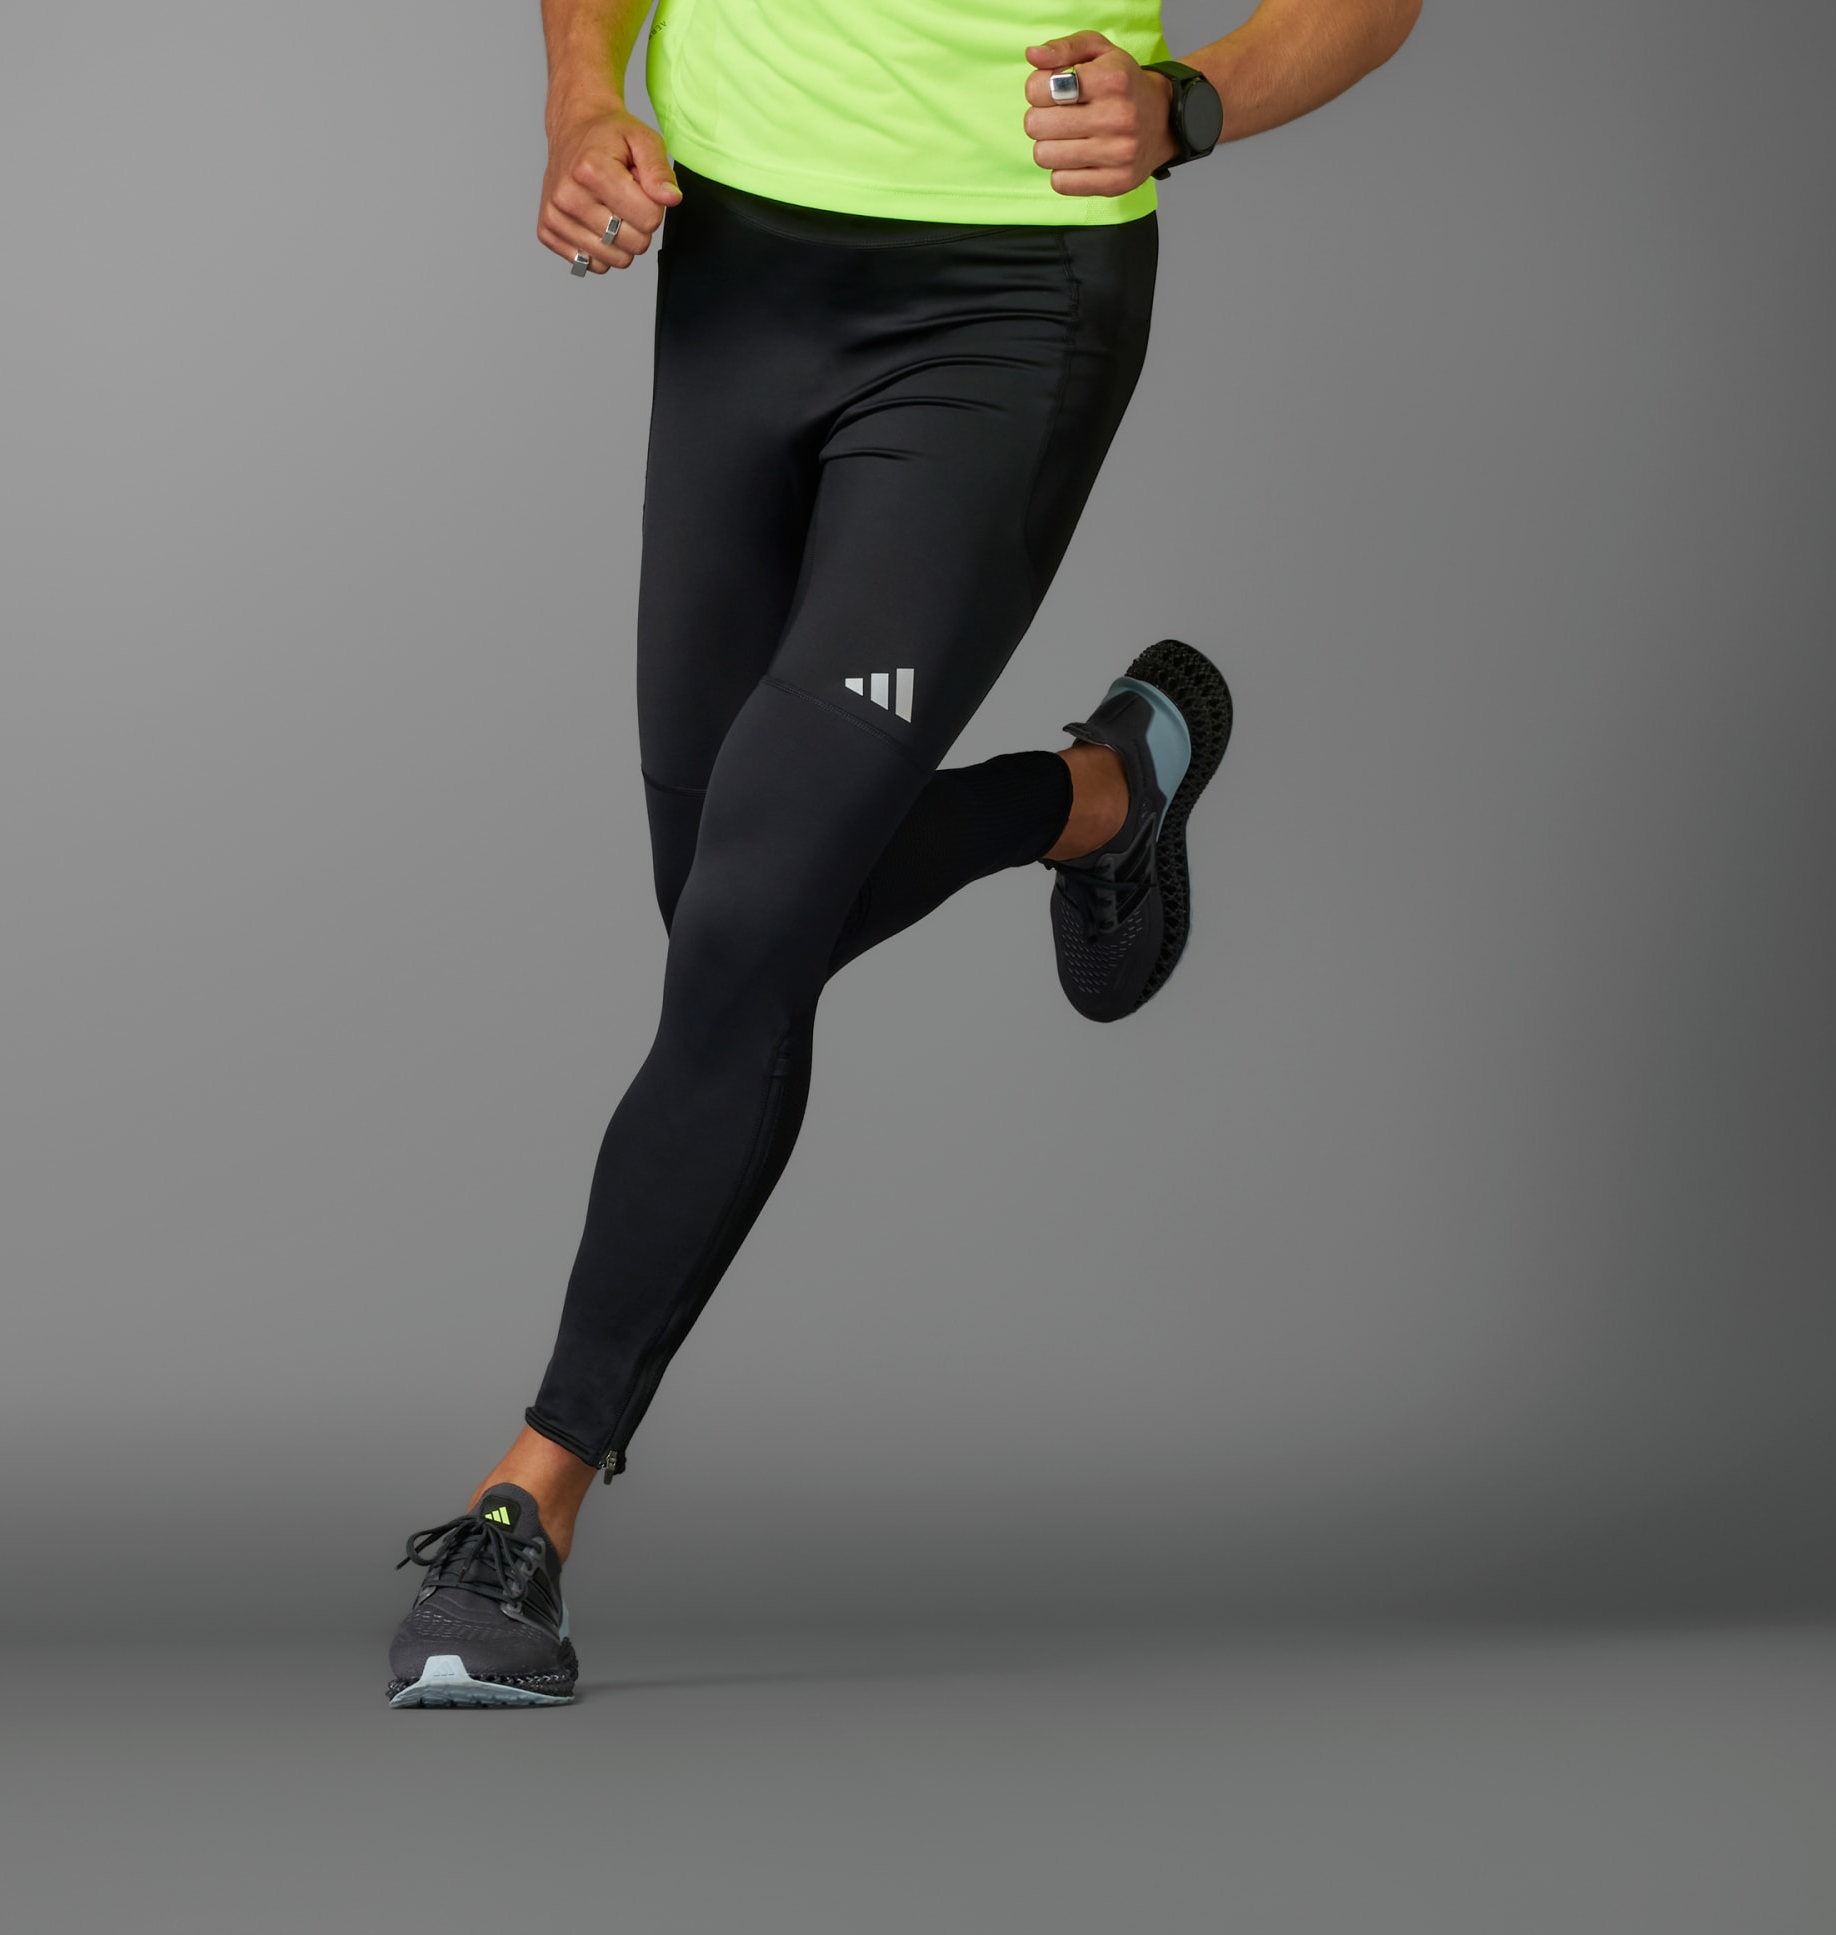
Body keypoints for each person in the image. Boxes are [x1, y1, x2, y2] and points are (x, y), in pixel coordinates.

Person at [386, 0, 1421, 1707]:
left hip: (1005, 295)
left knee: (747, 928)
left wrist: (1187, 106)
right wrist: (582, 96)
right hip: (736, 264)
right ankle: (1094, 800)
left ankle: (530, 1505)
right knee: (721, 902)